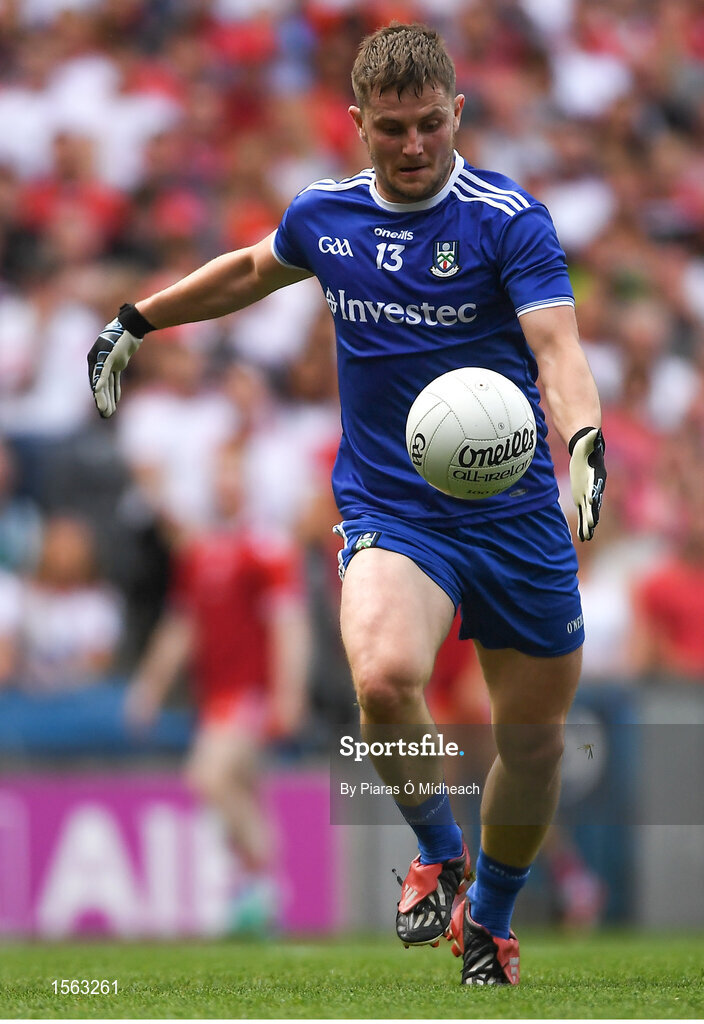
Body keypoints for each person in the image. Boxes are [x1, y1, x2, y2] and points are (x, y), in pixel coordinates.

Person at [88, 22, 606, 986]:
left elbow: (556, 350)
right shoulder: (326, 218)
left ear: (457, 114)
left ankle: (488, 921)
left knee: (531, 744)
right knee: (380, 679)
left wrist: (582, 437)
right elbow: (249, 269)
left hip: (516, 514)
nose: (412, 148)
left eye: (428, 127)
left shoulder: (508, 220)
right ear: (358, 123)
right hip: (393, 511)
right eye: (391, 129)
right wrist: (137, 317)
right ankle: (439, 856)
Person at [125, 445, 308, 932]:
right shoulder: (200, 552)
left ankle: (263, 885)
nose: (225, 485)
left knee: (207, 776)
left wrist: (289, 693)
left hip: (250, 693)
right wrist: (150, 686)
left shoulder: (266, 548)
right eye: (219, 476)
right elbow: (181, 627)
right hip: (214, 693)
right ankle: (257, 895)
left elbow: (289, 626)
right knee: (241, 788)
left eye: (234, 476)